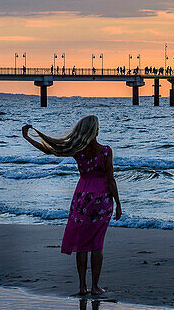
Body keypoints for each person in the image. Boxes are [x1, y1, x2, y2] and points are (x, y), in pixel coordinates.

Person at [21, 115, 122, 296]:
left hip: (82, 198)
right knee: (97, 244)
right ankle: (95, 287)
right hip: (102, 199)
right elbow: (111, 179)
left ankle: (82, 287)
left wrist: (28, 138)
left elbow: (50, 149)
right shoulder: (106, 151)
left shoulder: (78, 150)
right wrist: (119, 203)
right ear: (95, 131)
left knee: (82, 244)